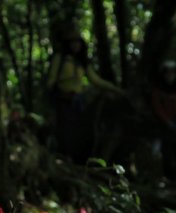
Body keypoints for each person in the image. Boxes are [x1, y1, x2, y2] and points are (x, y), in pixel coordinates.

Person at [47, 28, 122, 164]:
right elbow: (51, 80)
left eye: (78, 42)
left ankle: (79, 160)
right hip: (62, 100)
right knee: (64, 131)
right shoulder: (60, 58)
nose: (76, 45)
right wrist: (54, 95)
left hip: (78, 101)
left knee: (81, 131)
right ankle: (62, 158)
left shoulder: (82, 62)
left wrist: (116, 89)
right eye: (73, 42)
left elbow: (96, 80)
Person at [151, 60, 176, 182]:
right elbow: (157, 108)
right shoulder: (158, 91)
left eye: (172, 73)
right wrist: (167, 122)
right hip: (164, 127)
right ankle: (169, 178)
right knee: (166, 152)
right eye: (167, 73)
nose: (170, 76)